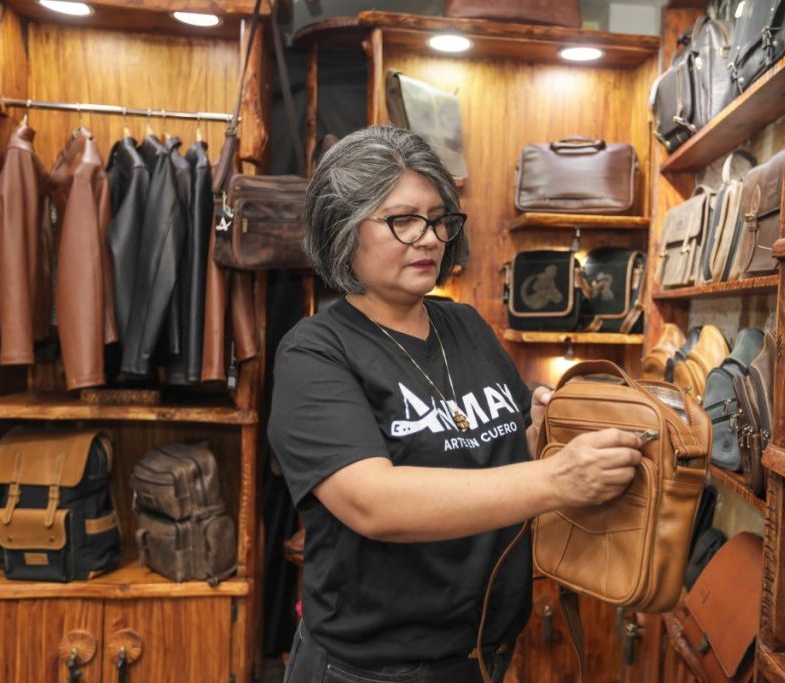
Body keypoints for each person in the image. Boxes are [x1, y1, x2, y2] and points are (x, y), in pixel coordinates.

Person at [268, 125, 642, 683]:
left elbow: (502, 450)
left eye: (439, 219)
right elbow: (374, 502)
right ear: (343, 228)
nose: (429, 238)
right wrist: (559, 480)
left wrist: (545, 431)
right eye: (402, 220)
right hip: (370, 670)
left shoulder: (464, 324)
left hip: (484, 656)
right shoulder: (315, 352)